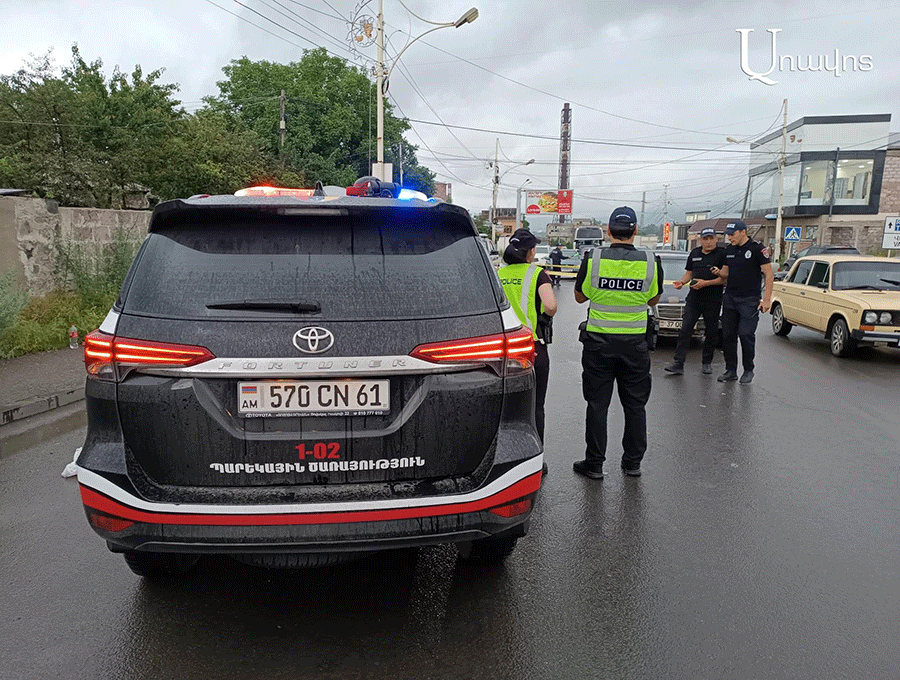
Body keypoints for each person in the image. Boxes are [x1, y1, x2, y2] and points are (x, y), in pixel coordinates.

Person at [573, 207, 663, 479]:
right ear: (635, 231)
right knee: (635, 406)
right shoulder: (650, 260)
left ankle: (595, 464)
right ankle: (632, 463)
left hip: (598, 344)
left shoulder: (593, 258)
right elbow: (653, 299)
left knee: (597, 405)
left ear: (608, 231)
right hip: (635, 345)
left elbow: (579, 297)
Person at [497, 228, 557, 446]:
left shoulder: (497, 274)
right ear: (531, 252)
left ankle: (506, 453)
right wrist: (543, 317)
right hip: (531, 347)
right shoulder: (537, 274)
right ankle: (535, 453)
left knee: (505, 408)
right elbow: (550, 305)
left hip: (501, 349)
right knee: (535, 406)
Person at [710, 220, 773, 385]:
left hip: (749, 300)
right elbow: (726, 273)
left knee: (745, 334)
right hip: (730, 298)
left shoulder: (757, 249)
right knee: (728, 335)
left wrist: (766, 299)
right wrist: (718, 273)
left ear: (743, 232)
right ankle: (731, 370)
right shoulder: (729, 250)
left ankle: (748, 369)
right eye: (728, 235)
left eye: (732, 234)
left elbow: (768, 274)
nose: (730, 238)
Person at [664, 227, 726, 375]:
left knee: (711, 332)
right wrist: (681, 282)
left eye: (711, 238)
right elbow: (689, 273)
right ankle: (678, 363)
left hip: (712, 300)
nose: (709, 242)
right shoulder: (695, 253)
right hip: (694, 299)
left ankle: (706, 362)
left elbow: (724, 279)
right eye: (706, 239)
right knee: (685, 329)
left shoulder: (721, 254)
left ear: (716, 239)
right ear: (700, 240)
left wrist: (705, 283)